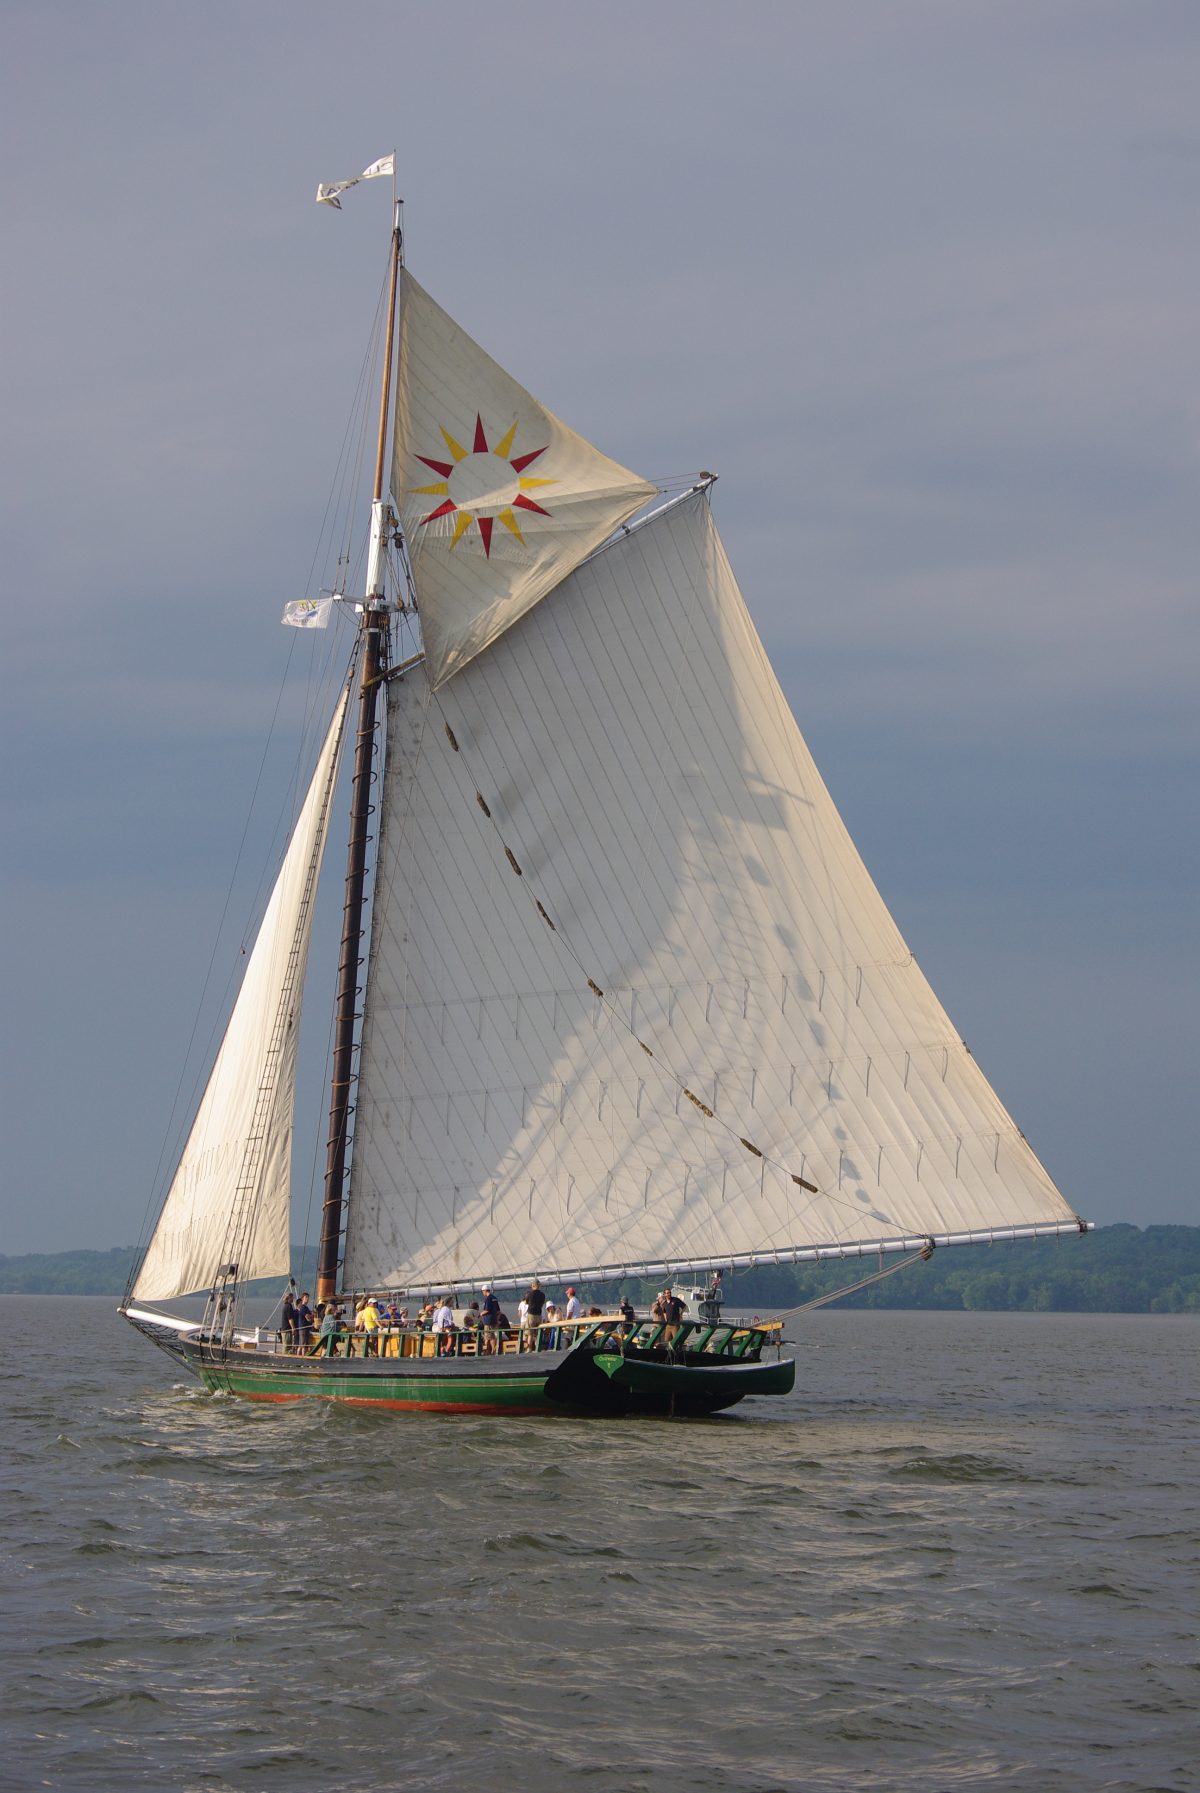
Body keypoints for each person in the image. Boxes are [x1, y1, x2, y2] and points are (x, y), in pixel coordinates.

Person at [523, 1278, 546, 1348]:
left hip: (531, 1315)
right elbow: (542, 1304)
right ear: (539, 1286)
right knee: (537, 1334)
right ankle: (537, 1348)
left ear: (533, 1285)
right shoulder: (542, 1295)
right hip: (539, 1315)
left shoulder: (530, 1294)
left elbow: (526, 1302)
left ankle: (529, 1349)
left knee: (530, 1333)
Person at [480, 1283, 501, 1353]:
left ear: (485, 1290)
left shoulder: (488, 1298)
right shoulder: (494, 1298)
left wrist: (481, 1313)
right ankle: (492, 1350)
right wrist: (497, 1319)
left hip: (488, 1321)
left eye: (482, 1291)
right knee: (493, 1335)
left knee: (489, 1336)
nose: (482, 1293)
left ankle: (493, 1350)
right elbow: (498, 1310)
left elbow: (487, 1310)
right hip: (494, 1320)